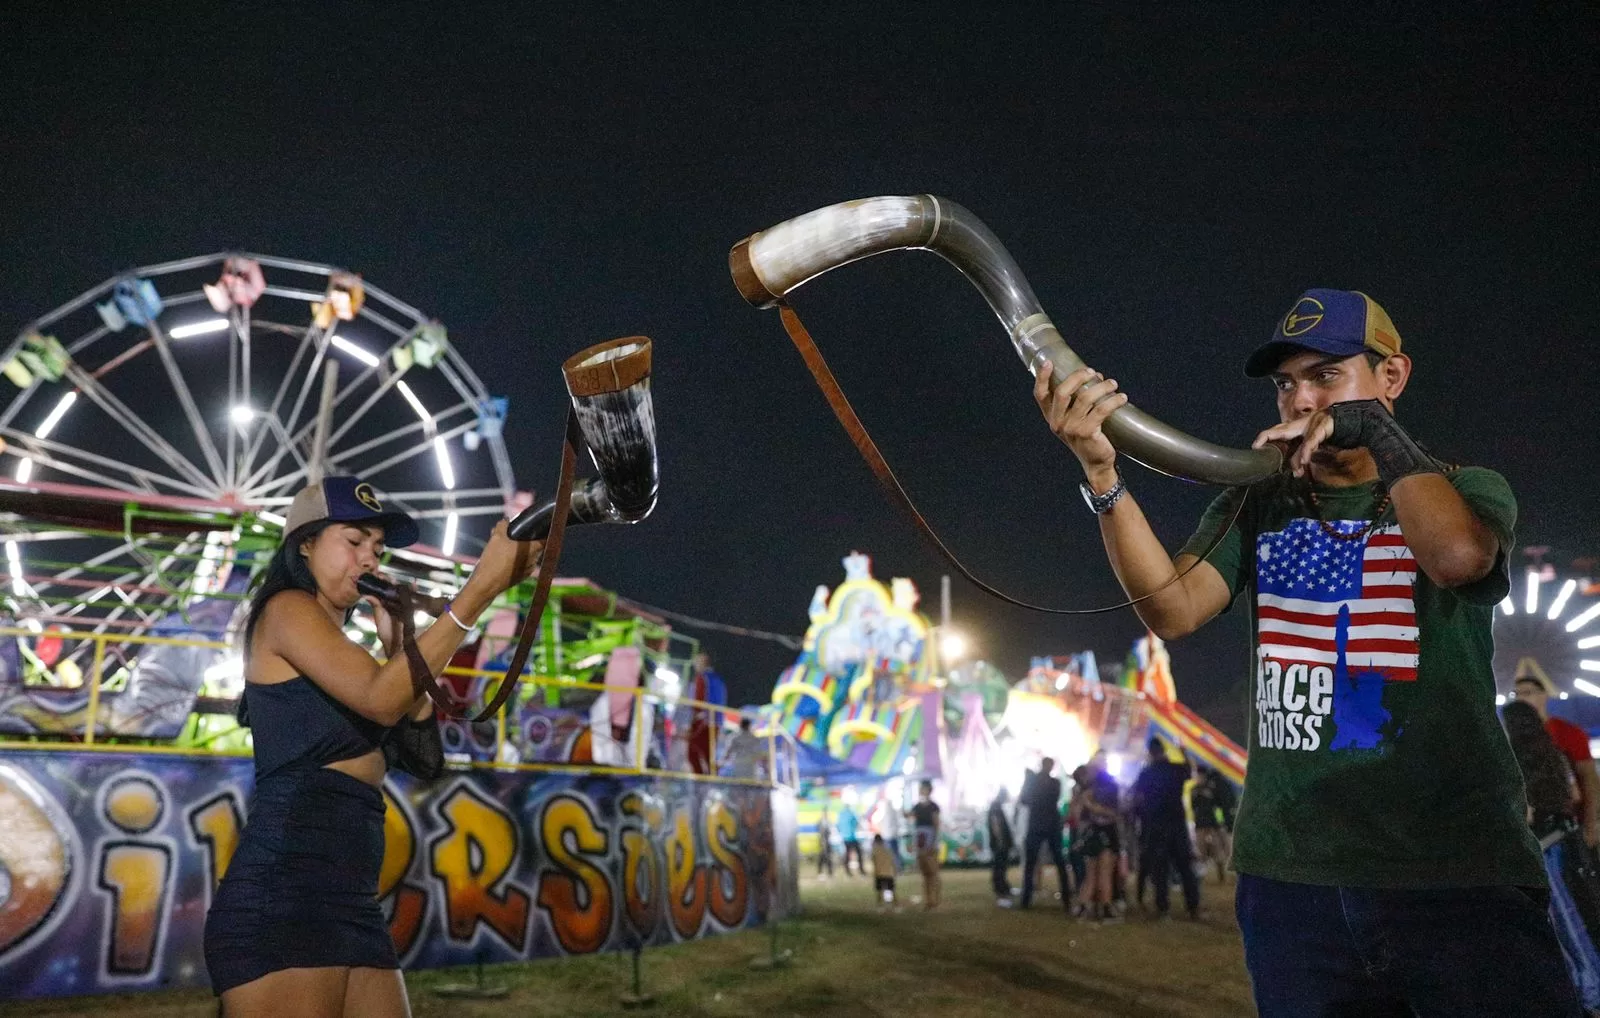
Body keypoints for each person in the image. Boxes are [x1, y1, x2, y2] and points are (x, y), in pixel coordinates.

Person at [1035, 287, 1581, 1014]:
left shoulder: (1467, 487)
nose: (1300, 400)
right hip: (1293, 877)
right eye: (1286, 384)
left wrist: (1372, 429)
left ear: (1392, 376)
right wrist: (1103, 476)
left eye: (1326, 376)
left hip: (1451, 869)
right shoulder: (1258, 501)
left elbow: (1456, 558)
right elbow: (1173, 609)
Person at [204, 476, 538, 1016]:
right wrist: (479, 590)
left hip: (351, 901)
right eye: (354, 541)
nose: (369, 558)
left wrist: (399, 645)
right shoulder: (286, 609)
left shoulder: (349, 656)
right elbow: (382, 701)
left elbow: (424, 759)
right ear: (305, 544)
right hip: (285, 895)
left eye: (378, 549)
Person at [1502, 700, 1600, 1011]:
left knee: (1563, 923)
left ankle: (1589, 992)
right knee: (1581, 912)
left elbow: (1526, 815)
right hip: (1567, 842)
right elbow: (1574, 795)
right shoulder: (1553, 754)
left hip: (1541, 850)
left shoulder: (1513, 763)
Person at [1131, 738, 1201, 920]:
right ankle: (1192, 906)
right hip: (1177, 824)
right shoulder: (1175, 769)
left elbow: (1137, 796)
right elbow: (1191, 771)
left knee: (1160, 869)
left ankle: (1162, 907)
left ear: (1150, 752)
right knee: (1185, 867)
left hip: (1156, 826)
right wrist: (1184, 752)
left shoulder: (1146, 773)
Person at [1018, 757, 1072, 910]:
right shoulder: (1054, 783)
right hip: (1050, 824)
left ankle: (1026, 899)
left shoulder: (1035, 781)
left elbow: (1024, 800)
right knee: (1059, 862)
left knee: (1031, 864)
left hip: (1037, 824)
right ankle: (1066, 898)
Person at [1071, 762, 1120, 923]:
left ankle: (1083, 907)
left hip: (1090, 834)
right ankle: (1105, 908)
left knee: (1091, 874)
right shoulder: (1106, 789)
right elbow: (1114, 813)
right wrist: (1094, 807)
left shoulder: (1083, 791)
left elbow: (1075, 815)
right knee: (1104, 874)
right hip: (1104, 833)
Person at [1190, 766, 1234, 884]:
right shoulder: (1193, 790)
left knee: (1217, 849)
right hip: (1200, 824)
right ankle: (1200, 876)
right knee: (1201, 850)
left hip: (1213, 824)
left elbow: (1220, 804)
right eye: (1197, 776)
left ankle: (1221, 875)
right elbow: (1193, 806)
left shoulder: (1213, 789)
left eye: (1200, 776)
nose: (1199, 778)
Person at [910, 780, 942, 909]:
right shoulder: (917, 807)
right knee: (925, 874)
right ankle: (928, 900)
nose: (921, 791)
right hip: (920, 842)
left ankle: (935, 899)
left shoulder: (933, 807)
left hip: (929, 843)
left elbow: (936, 824)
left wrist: (933, 842)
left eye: (922, 789)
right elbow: (910, 817)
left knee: (933, 872)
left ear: (928, 790)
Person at [987, 787, 1015, 904]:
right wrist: (1000, 840)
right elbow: (995, 824)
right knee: (999, 867)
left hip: (1000, 842)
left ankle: (1004, 887)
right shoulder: (996, 807)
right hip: (1000, 842)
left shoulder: (996, 806)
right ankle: (1000, 889)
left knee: (1001, 866)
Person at [871, 834, 899, 911]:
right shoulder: (887, 849)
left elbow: (874, 862)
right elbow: (893, 861)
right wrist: (895, 870)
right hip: (889, 872)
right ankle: (895, 906)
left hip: (879, 873)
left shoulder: (874, 850)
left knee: (879, 891)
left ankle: (880, 906)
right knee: (891, 890)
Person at [837, 802, 864, 876]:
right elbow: (857, 823)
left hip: (845, 837)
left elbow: (838, 825)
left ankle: (847, 871)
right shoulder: (851, 813)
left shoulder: (841, 814)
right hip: (852, 837)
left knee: (847, 854)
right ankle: (861, 870)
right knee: (859, 853)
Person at [815, 805, 835, 878]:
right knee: (822, 857)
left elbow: (830, 831)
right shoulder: (821, 821)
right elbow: (818, 829)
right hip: (822, 841)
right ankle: (821, 871)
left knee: (828, 857)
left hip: (827, 841)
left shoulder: (828, 821)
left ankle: (830, 872)